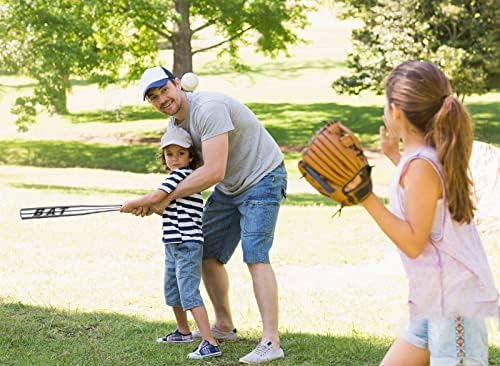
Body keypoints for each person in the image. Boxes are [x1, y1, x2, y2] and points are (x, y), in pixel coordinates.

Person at [136, 66, 287, 364]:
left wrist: (161, 198)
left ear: (177, 84)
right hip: (230, 188)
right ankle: (224, 325)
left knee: (256, 256)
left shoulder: (209, 108)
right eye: (154, 97)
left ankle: (271, 341)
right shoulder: (174, 125)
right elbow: (184, 174)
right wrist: (156, 201)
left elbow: (213, 170)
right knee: (207, 254)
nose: (162, 99)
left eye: (164, 90)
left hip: (262, 178)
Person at [361, 60, 499, 365]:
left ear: (396, 111)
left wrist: (365, 197)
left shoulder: (423, 165)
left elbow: (413, 241)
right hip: (434, 301)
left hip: (453, 307)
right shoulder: (422, 160)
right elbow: (423, 200)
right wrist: (393, 155)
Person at [120, 127, 222, 360]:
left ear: (190, 157)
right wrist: (146, 209)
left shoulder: (181, 176)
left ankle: (209, 342)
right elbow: (163, 208)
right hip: (173, 243)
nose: (175, 159)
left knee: (188, 292)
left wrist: (132, 203)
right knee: (172, 289)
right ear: (163, 157)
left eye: (180, 154)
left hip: (187, 244)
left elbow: (156, 198)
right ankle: (183, 331)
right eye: (169, 154)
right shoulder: (176, 180)